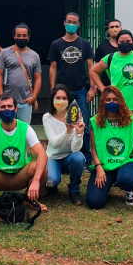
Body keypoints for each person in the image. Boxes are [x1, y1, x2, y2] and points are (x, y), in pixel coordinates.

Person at [86, 86, 133, 209]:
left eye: (115, 99)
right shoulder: (96, 122)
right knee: (94, 202)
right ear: (102, 102)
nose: (111, 102)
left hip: (126, 163)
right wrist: (98, 167)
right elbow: (93, 149)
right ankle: (107, 185)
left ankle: (128, 189)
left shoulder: (132, 120)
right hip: (105, 166)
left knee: (127, 179)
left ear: (120, 101)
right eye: (108, 100)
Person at [48, 11, 95, 164]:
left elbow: (90, 67)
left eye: (75, 22)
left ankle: (87, 158)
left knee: (84, 125)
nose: (72, 25)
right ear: (64, 23)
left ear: (79, 24)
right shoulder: (56, 44)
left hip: (81, 89)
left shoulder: (84, 44)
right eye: (69, 22)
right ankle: (65, 153)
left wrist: (92, 87)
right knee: (62, 123)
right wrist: (53, 89)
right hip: (62, 92)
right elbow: (53, 67)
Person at [90, 29, 133, 132]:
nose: (125, 44)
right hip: (117, 105)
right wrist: (103, 89)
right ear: (117, 43)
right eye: (122, 42)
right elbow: (93, 71)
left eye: (128, 41)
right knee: (120, 136)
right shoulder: (110, 58)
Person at [42, 85, 86, 204]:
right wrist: (68, 130)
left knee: (79, 158)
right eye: (58, 98)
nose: (61, 101)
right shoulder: (47, 117)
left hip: (69, 158)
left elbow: (75, 148)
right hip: (53, 158)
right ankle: (52, 185)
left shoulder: (75, 117)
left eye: (64, 98)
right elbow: (54, 143)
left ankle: (74, 189)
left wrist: (79, 133)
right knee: (52, 181)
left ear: (69, 100)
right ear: (52, 99)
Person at [0, 23, 41, 124]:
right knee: (4, 130)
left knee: (23, 132)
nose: (21, 38)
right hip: (7, 102)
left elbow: (38, 78)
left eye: (24, 36)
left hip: (26, 101)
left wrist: (34, 97)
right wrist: (1, 96)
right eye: (19, 35)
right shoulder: (5, 53)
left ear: (28, 37)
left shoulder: (34, 56)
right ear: (14, 36)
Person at [94, 19, 121, 88]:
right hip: (107, 85)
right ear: (108, 30)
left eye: (117, 26)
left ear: (121, 29)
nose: (114, 29)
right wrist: (98, 86)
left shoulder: (127, 47)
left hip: (124, 85)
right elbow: (96, 69)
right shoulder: (102, 47)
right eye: (112, 27)